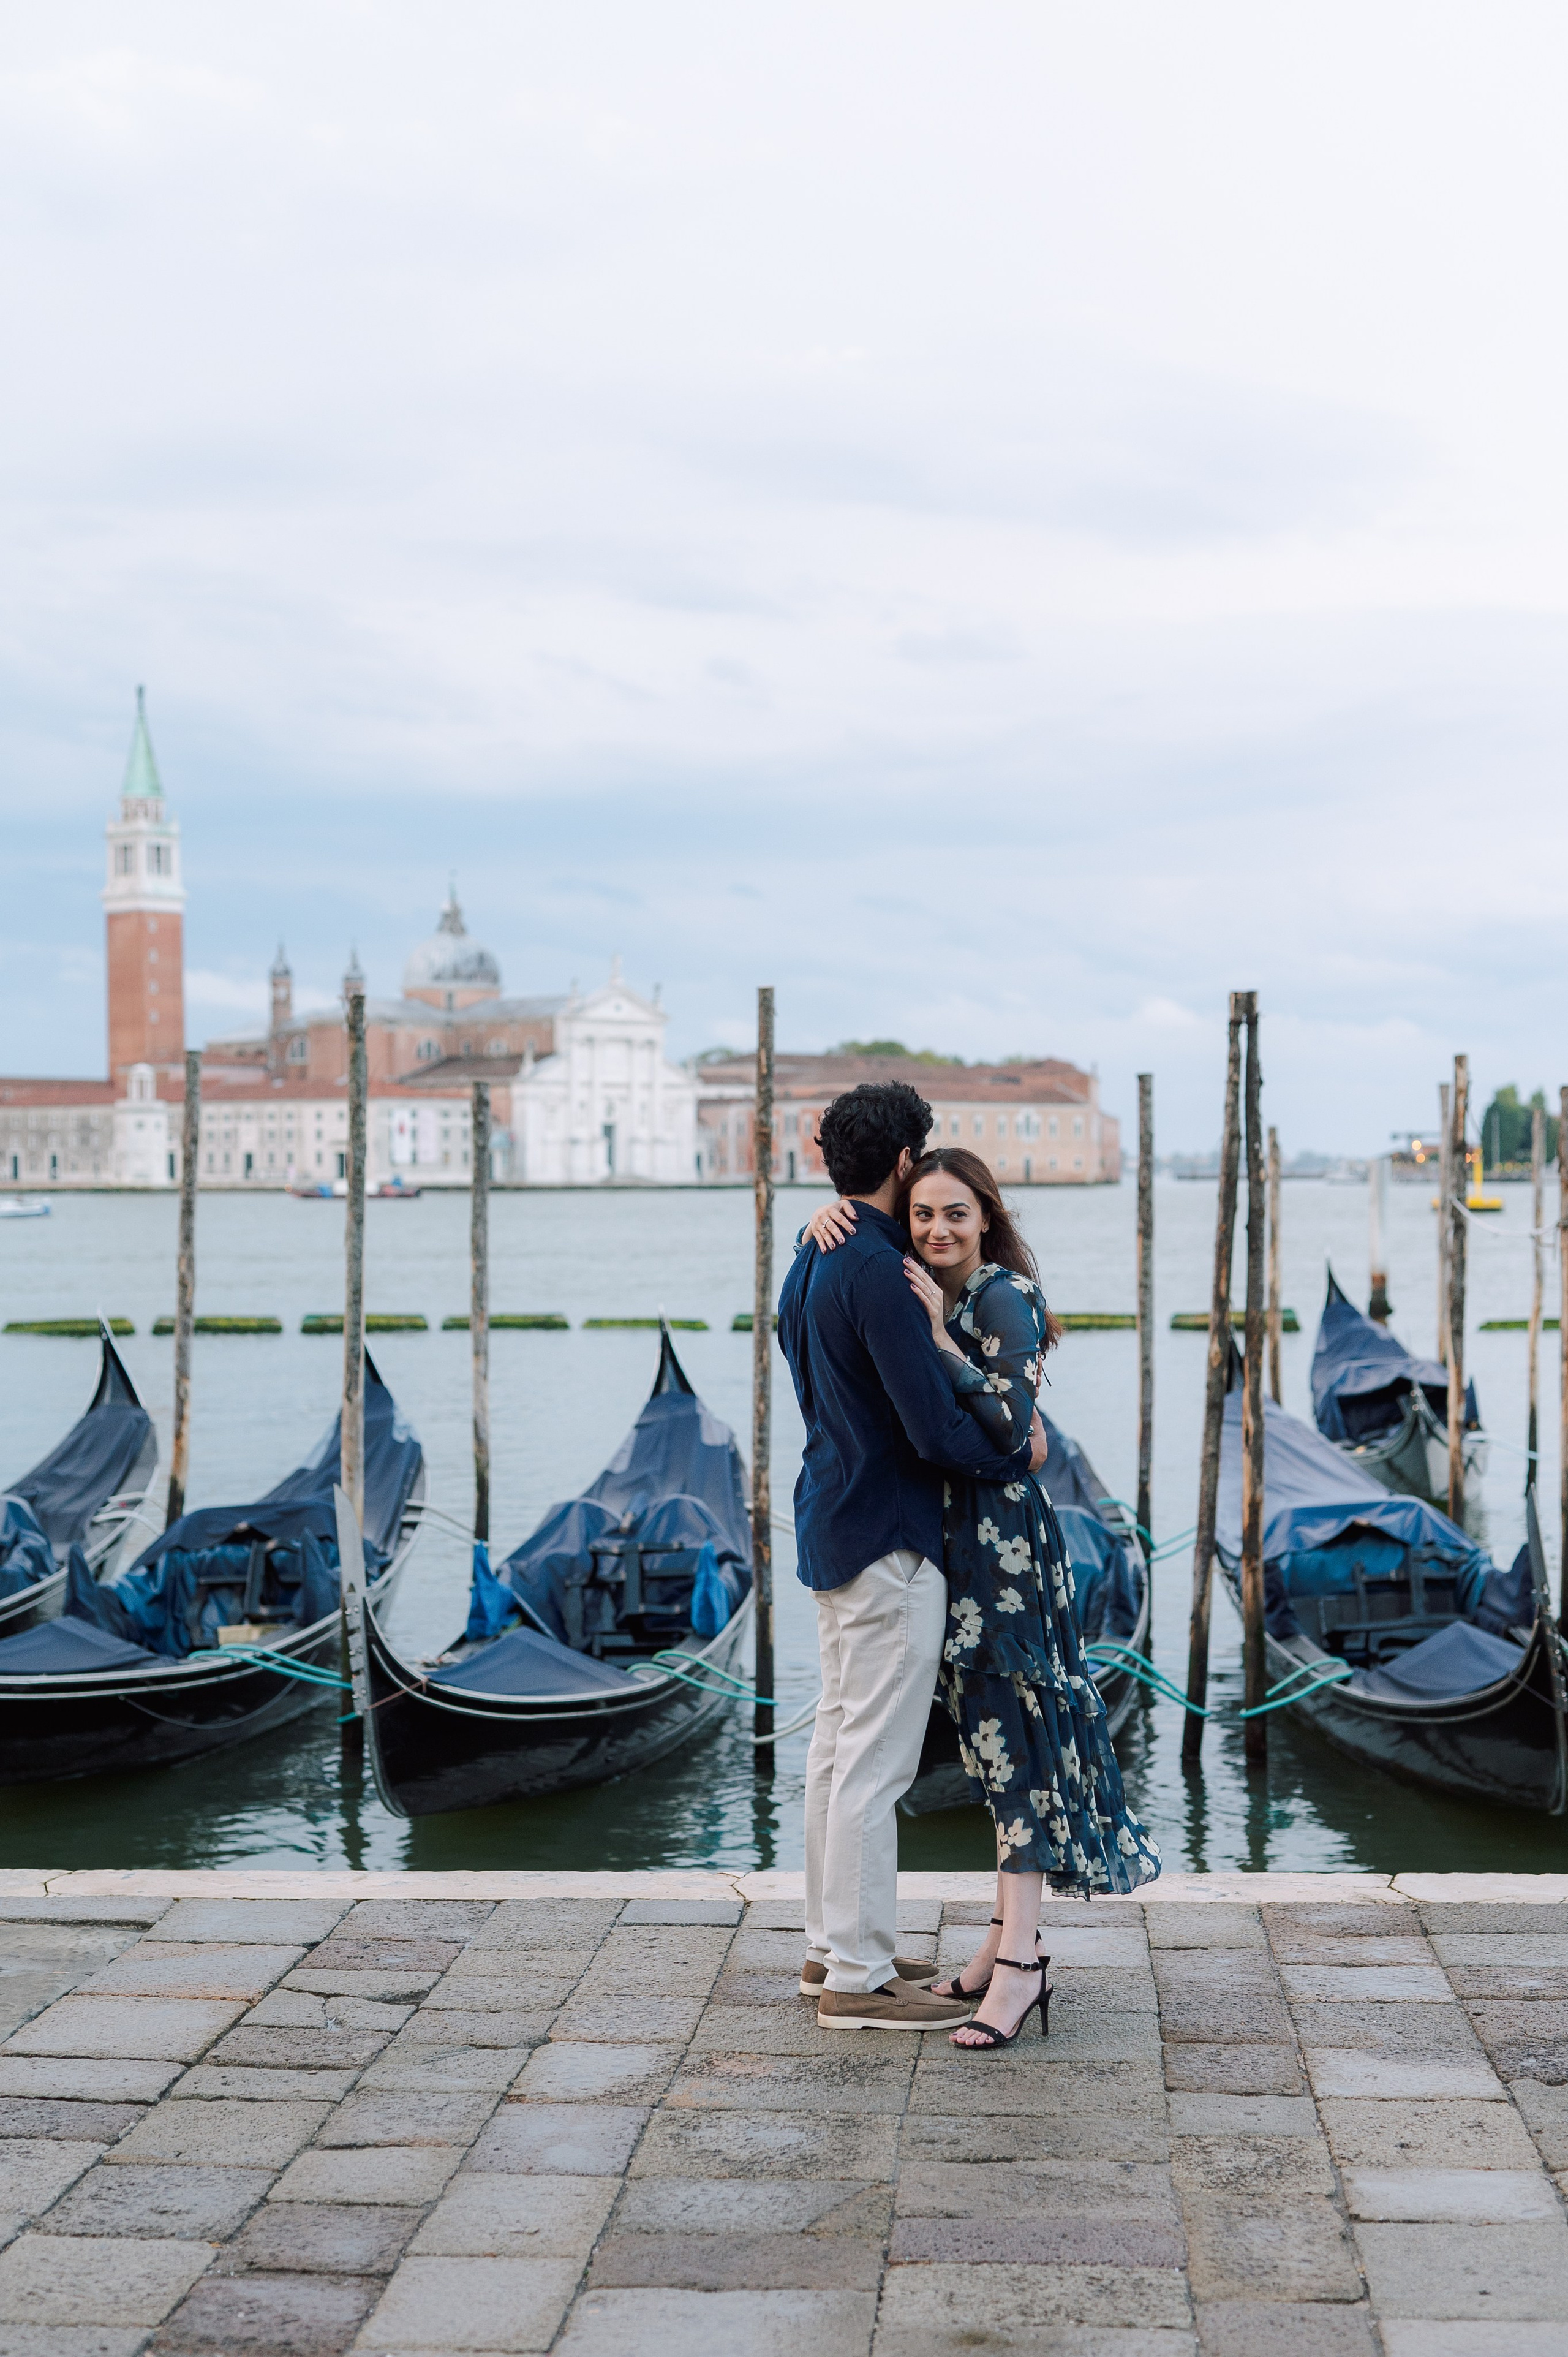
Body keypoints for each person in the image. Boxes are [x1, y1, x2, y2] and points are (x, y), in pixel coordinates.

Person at [804, 1146, 1159, 2051]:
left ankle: (1022, 1968)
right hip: (955, 1549)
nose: (936, 1229)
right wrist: (820, 1225)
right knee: (990, 1748)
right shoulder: (921, 1282)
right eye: (922, 1214)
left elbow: (1009, 1424)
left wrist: (939, 1346)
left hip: (1005, 1561)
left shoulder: (1004, 1298)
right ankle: (1001, 1941)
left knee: (1015, 1751)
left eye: (956, 1214)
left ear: (987, 1218)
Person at [776, 1082, 1050, 2032]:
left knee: (834, 1749)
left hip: (830, 1518)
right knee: (872, 1765)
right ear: (904, 1164)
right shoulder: (879, 1268)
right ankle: (856, 1976)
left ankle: (831, 1949)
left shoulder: (810, 1255)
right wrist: (1016, 1450)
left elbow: (808, 1373)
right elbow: (934, 1431)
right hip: (890, 1534)